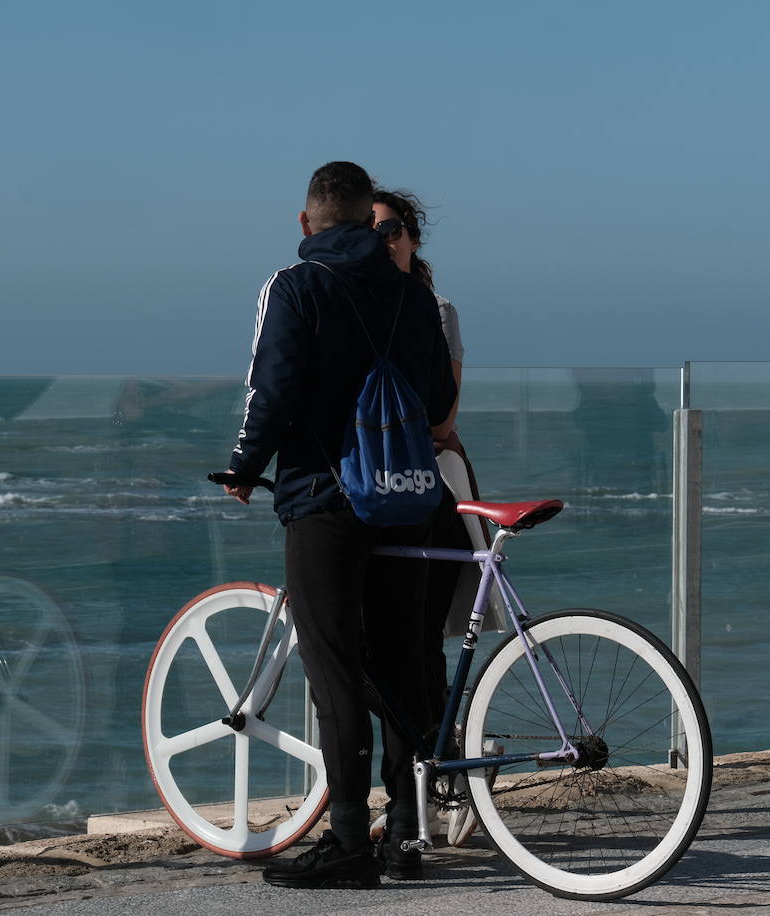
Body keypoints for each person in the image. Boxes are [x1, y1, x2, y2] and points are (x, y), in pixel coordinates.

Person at [224, 162, 456, 888]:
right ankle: (407, 839)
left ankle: (350, 843)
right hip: (408, 495)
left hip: (325, 499)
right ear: (367, 223)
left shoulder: (292, 286)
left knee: (336, 672)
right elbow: (438, 393)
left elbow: (274, 385)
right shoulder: (415, 298)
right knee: (401, 666)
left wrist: (242, 464)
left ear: (305, 223)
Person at [369, 187, 476, 757]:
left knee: (423, 640)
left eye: (391, 229)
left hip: (430, 485)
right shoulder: (357, 307)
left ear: (411, 236)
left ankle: (432, 769)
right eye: (370, 231)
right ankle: (425, 768)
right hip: (379, 485)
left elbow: (442, 420)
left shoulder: (436, 310)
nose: (382, 241)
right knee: (388, 645)